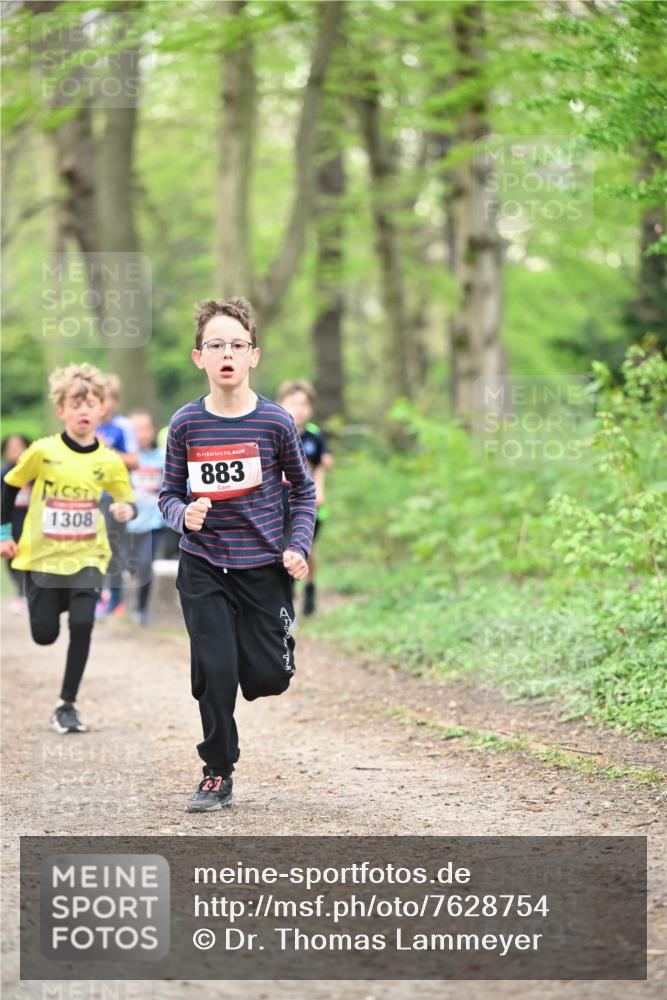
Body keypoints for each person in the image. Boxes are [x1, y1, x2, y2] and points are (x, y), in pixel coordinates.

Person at [158, 296, 316, 812]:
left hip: (263, 566)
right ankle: (216, 771)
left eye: (237, 344)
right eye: (215, 344)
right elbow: (167, 494)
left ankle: (273, 657)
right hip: (202, 563)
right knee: (216, 670)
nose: (226, 353)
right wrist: (185, 515)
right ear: (198, 357)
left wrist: (297, 546)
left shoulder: (275, 423)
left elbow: (304, 491)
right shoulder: (185, 424)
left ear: (254, 356)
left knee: (267, 678)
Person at [0, 364, 136, 734]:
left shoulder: (108, 460)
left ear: (101, 410)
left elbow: (126, 500)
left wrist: (127, 508)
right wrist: (4, 534)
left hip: (87, 557)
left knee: (82, 623)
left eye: (90, 403)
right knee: (44, 635)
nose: (83, 411)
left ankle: (67, 705)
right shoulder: (42, 452)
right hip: (41, 558)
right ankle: (55, 603)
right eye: (74, 404)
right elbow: (10, 485)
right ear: (61, 410)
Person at [276, 379, 333, 616]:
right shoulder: (274, 432)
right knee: (283, 550)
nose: (298, 409)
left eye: (303, 403)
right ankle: (285, 602)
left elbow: (322, 464)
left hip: (308, 503)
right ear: (280, 404)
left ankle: (309, 589)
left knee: (305, 550)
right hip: (280, 501)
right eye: (292, 403)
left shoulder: (313, 436)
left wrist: (319, 489)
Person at [96, 373, 140, 618]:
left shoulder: (122, 426)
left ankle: (115, 600)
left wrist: (107, 451)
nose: (103, 404)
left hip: (115, 496)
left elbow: (134, 460)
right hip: (88, 495)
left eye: (108, 398)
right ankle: (94, 597)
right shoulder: (85, 425)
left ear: (115, 401)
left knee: (113, 547)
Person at [126, 409, 166, 625]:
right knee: (130, 565)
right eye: (135, 429)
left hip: (154, 522)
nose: (141, 433)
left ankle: (141, 608)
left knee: (145, 565)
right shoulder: (121, 458)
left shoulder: (162, 457)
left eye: (145, 428)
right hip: (126, 524)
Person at [1, 433, 32, 614]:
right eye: (11, 448)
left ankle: (26, 593)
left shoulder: (35, 473)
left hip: (30, 519)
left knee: (28, 557)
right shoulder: (4, 473)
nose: (16, 452)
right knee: (11, 558)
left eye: (20, 447)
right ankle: (20, 591)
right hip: (10, 521)